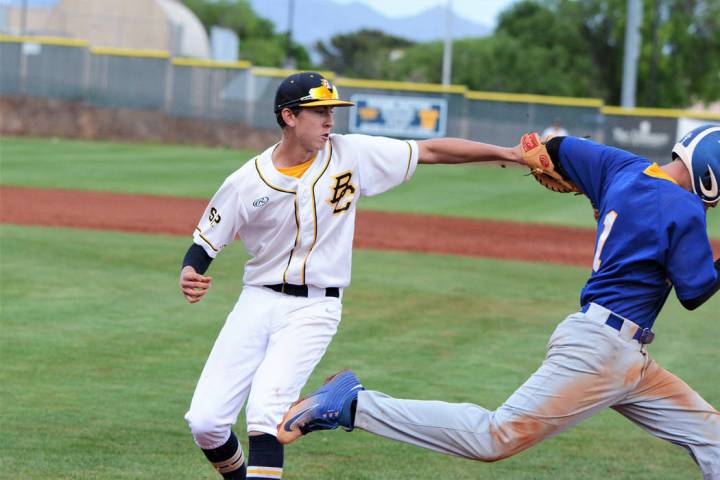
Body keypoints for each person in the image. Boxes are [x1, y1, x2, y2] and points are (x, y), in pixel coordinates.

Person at [278, 125, 720, 478]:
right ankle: (353, 404)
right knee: (494, 437)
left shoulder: (625, 169)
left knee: (714, 440)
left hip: (622, 355)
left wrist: (595, 192)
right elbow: (695, 292)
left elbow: (559, 148)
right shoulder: (683, 209)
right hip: (601, 353)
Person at [178, 71, 528, 480]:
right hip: (256, 300)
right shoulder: (246, 181)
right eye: (319, 112)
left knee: (265, 415)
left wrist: (510, 152)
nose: (330, 120)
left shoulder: (351, 154)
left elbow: (430, 150)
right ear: (289, 117)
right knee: (205, 423)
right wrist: (191, 271)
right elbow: (206, 240)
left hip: (314, 307)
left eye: (332, 111)